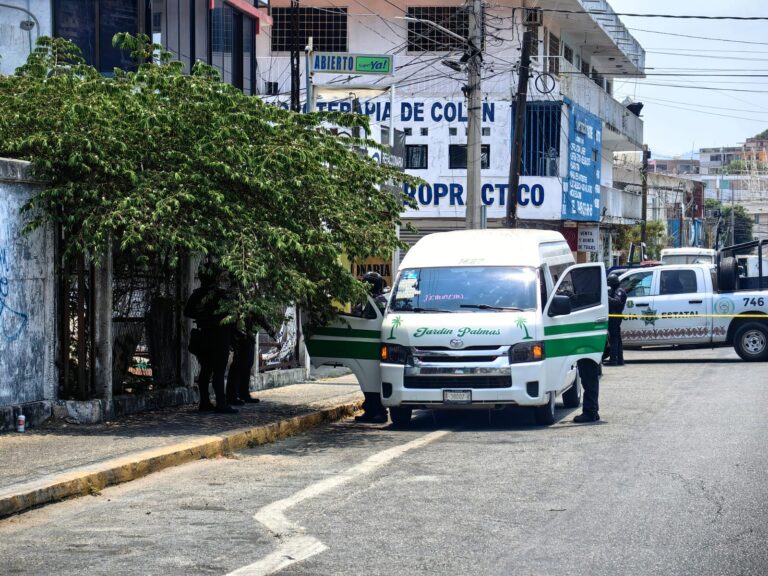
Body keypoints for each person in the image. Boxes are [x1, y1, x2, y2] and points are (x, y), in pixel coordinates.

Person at [184, 268, 238, 414]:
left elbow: (188, 312)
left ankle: (205, 402)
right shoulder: (220, 295)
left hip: (204, 336)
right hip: (219, 337)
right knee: (218, 371)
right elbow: (232, 317)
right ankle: (221, 403)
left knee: (206, 370)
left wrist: (203, 316)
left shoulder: (198, 294)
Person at [355, 271, 390, 424]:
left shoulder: (373, 302)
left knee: (369, 380)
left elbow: (364, 320)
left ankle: (376, 411)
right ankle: (373, 410)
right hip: (384, 345)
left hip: (372, 346)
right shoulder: (386, 299)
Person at [226, 318, 261, 406]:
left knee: (247, 366)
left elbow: (259, 318)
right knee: (238, 367)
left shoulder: (253, 313)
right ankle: (232, 396)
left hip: (249, 339)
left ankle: (244, 394)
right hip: (240, 339)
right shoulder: (238, 313)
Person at [605, 273, 627, 366]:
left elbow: (617, 302)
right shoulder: (615, 290)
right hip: (613, 317)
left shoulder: (619, 291)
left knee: (614, 339)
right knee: (617, 339)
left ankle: (613, 360)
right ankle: (620, 360)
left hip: (615, 318)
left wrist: (606, 297)